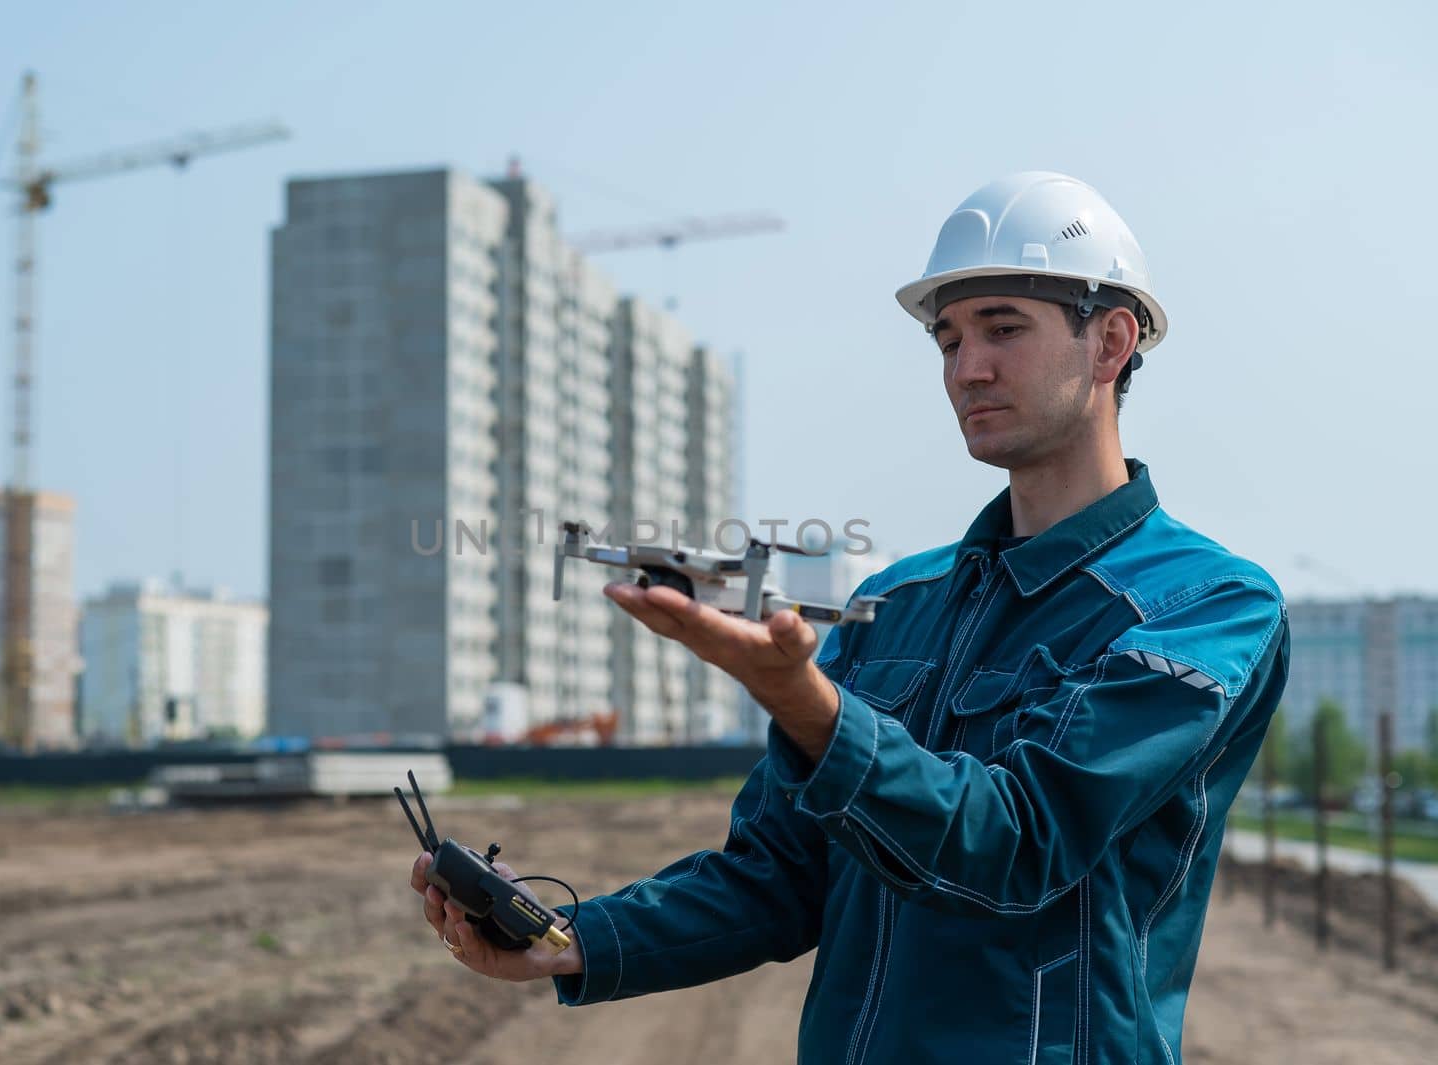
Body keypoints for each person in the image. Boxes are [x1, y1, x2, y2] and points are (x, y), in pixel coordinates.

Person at [410, 171, 1290, 1064]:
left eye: (1003, 329)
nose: (966, 368)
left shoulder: (1206, 606)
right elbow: (780, 877)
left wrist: (803, 702)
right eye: (948, 338)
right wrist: (563, 938)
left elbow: (1021, 839)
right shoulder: (898, 606)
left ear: (1110, 342)